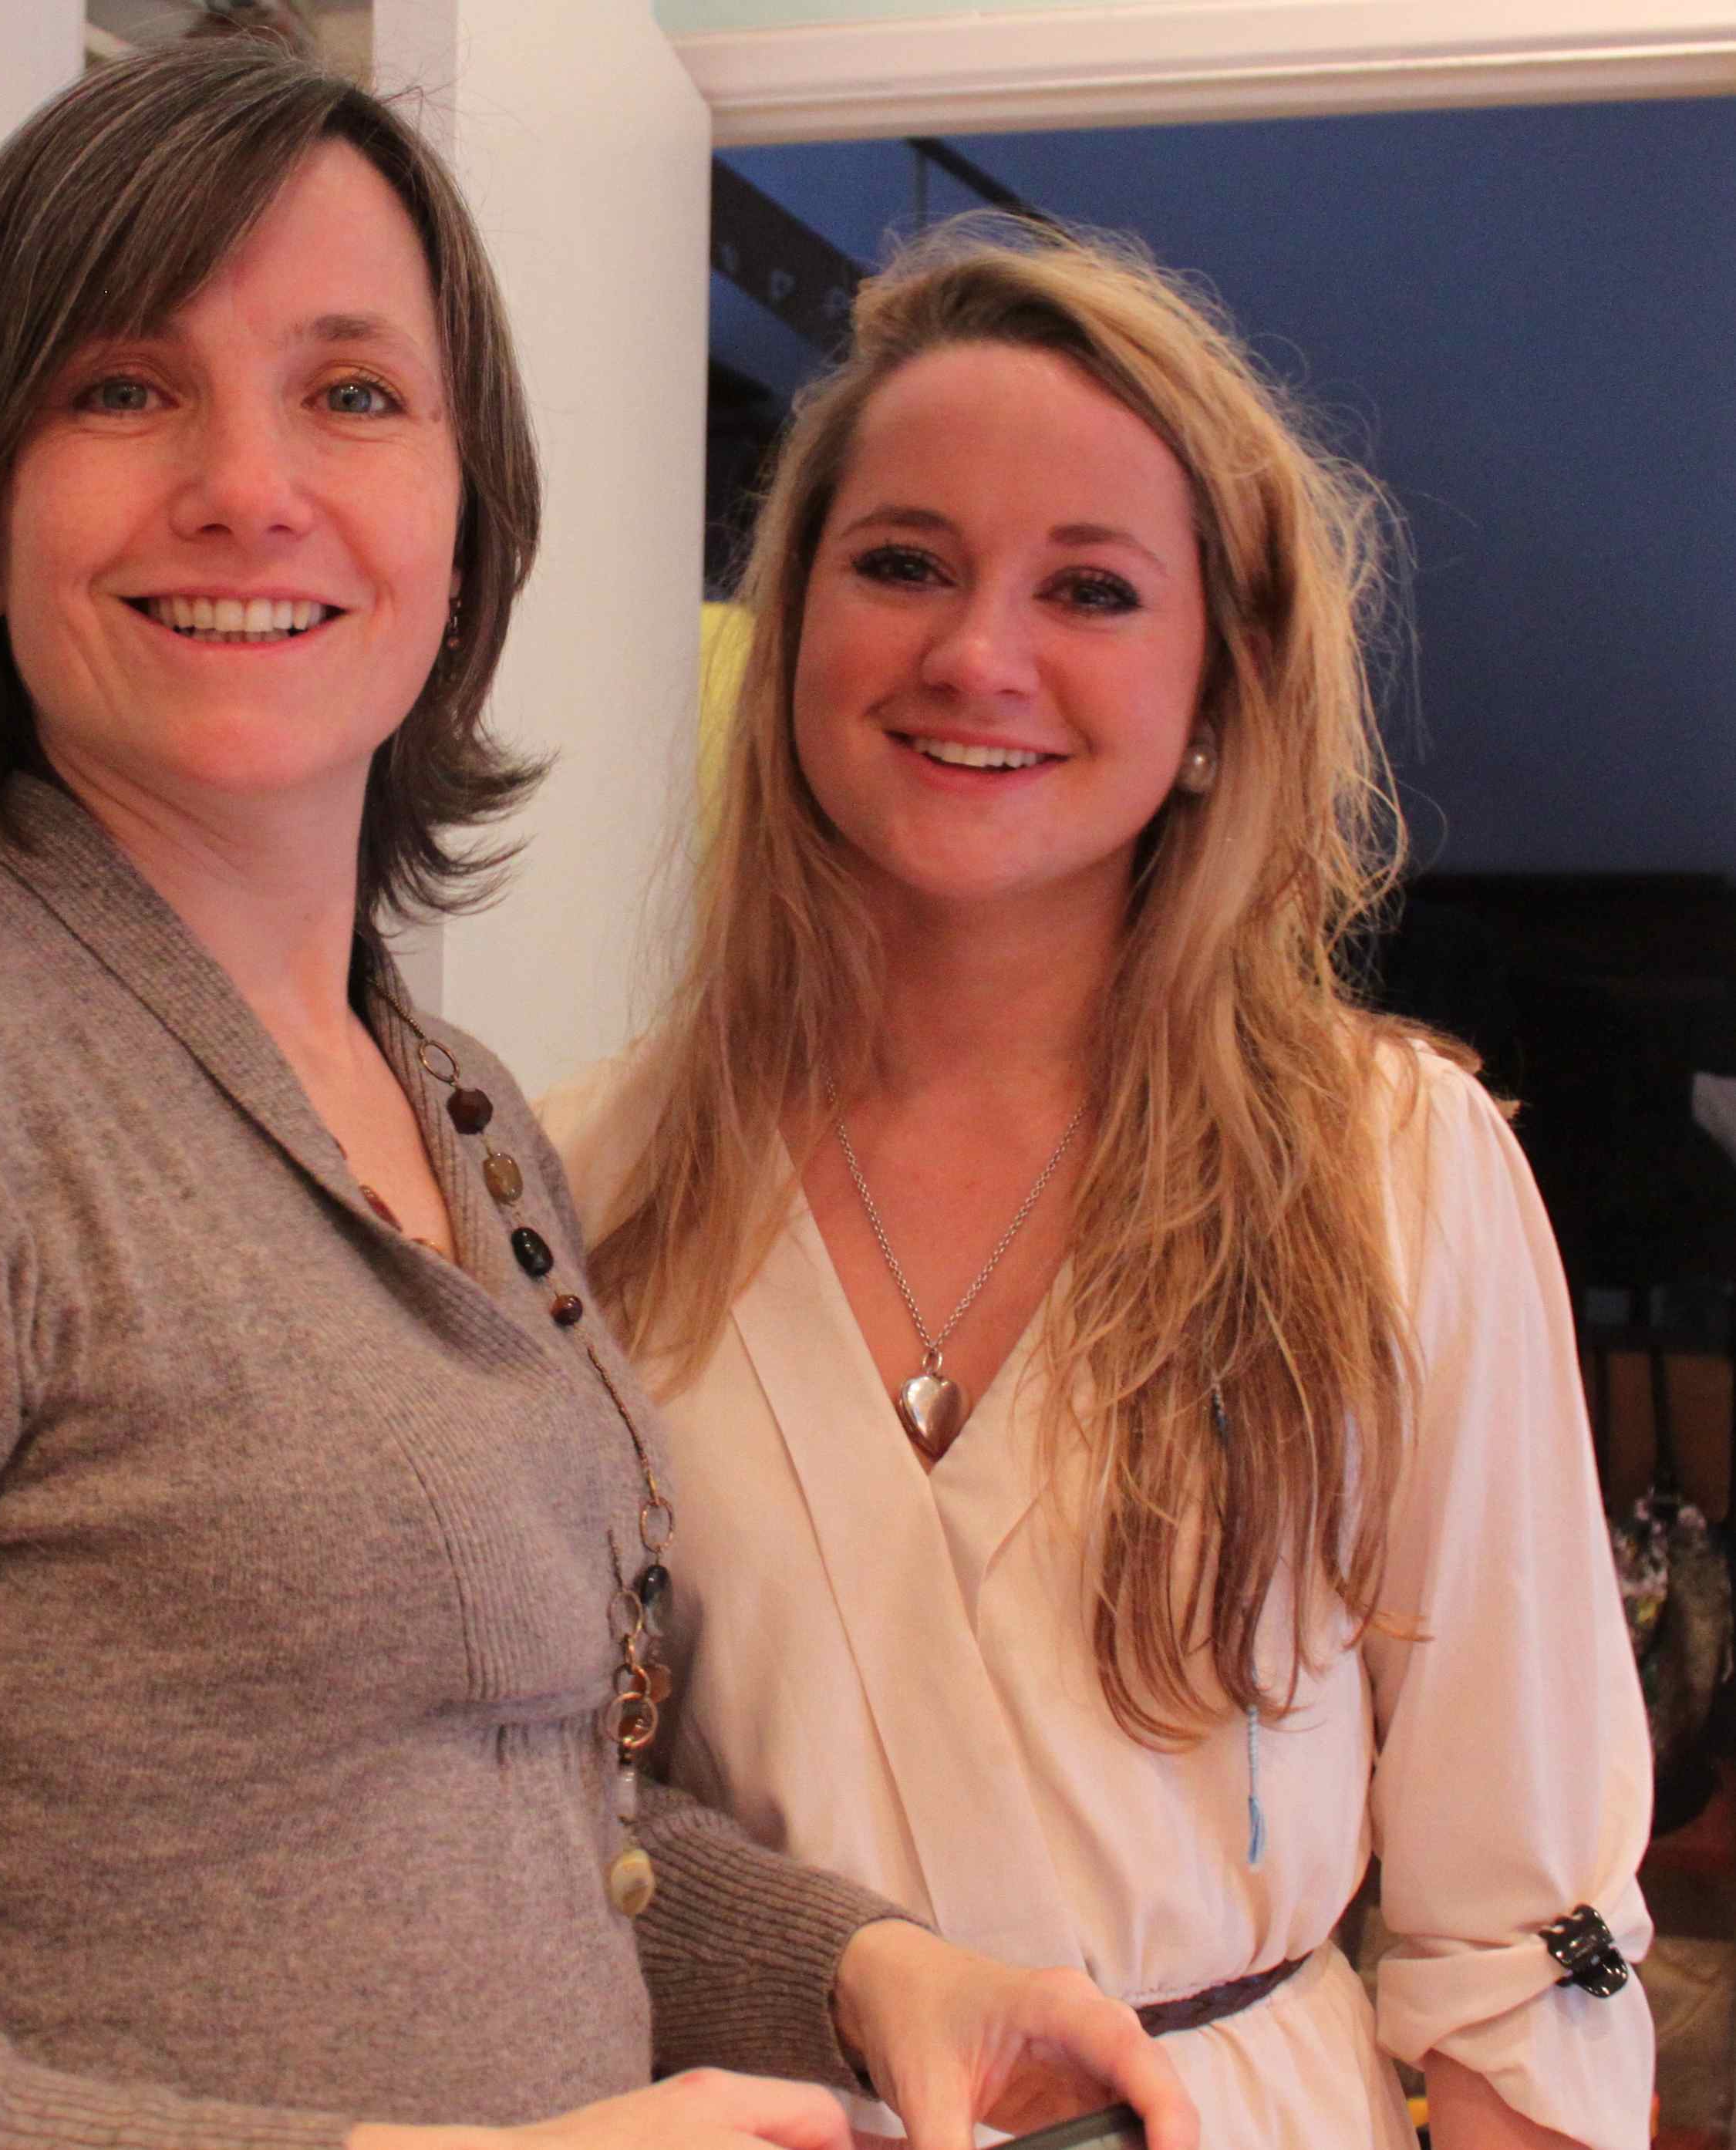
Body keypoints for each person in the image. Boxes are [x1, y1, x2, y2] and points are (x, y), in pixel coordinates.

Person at [0, 49, 1199, 2150]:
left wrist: (856, 1963)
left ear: (465, 531)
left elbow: (517, 1804)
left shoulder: (463, 1114)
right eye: (123, 389)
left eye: (352, 393)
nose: (248, 485)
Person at [542, 221, 1654, 2150]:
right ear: (789, 625)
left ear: (1221, 686)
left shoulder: (1390, 1169)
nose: (977, 655)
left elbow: (1517, 1911)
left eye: (1090, 587)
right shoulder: (578, 1183)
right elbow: (535, 1821)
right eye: (903, 563)